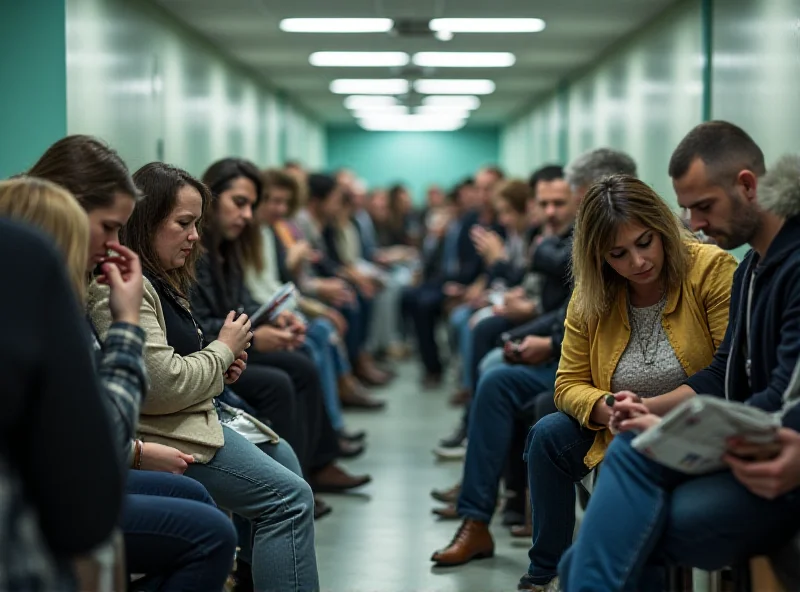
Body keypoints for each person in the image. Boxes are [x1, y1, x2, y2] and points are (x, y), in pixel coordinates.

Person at [559, 126, 800, 591]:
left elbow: (778, 400)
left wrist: (680, 426)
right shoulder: (753, 267)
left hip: (769, 454)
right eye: (687, 209)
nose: (694, 223)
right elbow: (722, 375)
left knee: (591, 554)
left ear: (748, 186)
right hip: (745, 439)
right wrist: (651, 413)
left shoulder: (770, 268)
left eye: (704, 207)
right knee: (626, 444)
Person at [89, 161, 320, 591]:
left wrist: (220, 365)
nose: (196, 236)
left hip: (193, 411)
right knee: (290, 500)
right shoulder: (119, 286)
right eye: (184, 223)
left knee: (284, 454)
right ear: (147, 221)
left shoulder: (161, 277)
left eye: (197, 223)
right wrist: (221, 352)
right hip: (167, 428)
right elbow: (159, 386)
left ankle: (258, 575)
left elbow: (175, 356)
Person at [28, 136, 238, 591]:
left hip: (81, 464)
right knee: (227, 526)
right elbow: (138, 397)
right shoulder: (56, 291)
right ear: (65, 211)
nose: (113, 244)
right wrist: (138, 453)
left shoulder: (68, 280)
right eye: (107, 228)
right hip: (45, 491)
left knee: (200, 499)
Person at [517, 169, 738, 590]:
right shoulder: (591, 293)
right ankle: (545, 572)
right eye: (617, 254)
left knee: (626, 477)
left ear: (661, 228)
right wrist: (609, 409)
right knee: (547, 433)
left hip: (692, 419)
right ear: (599, 258)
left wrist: (642, 410)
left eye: (644, 243)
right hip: (616, 422)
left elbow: (724, 372)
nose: (637, 262)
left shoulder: (710, 270)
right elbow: (566, 383)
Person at [192, 158, 370, 493]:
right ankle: (292, 483)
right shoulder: (200, 250)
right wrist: (256, 337)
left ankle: (309, 470)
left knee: (301, 362)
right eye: (239, 203)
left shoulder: (228, 247)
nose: (247, 215)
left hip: (229, 349)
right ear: (211, 199)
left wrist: (271, 317)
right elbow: (199, 326)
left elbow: (240, 302)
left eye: (251, 206)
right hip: (214, 356)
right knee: (282, 380)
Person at [0, 185, 123, 591]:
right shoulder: (24, 262)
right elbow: (84, 503)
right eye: (106, 228)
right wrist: (129, 331)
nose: (113, 246)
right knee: (207, 529)